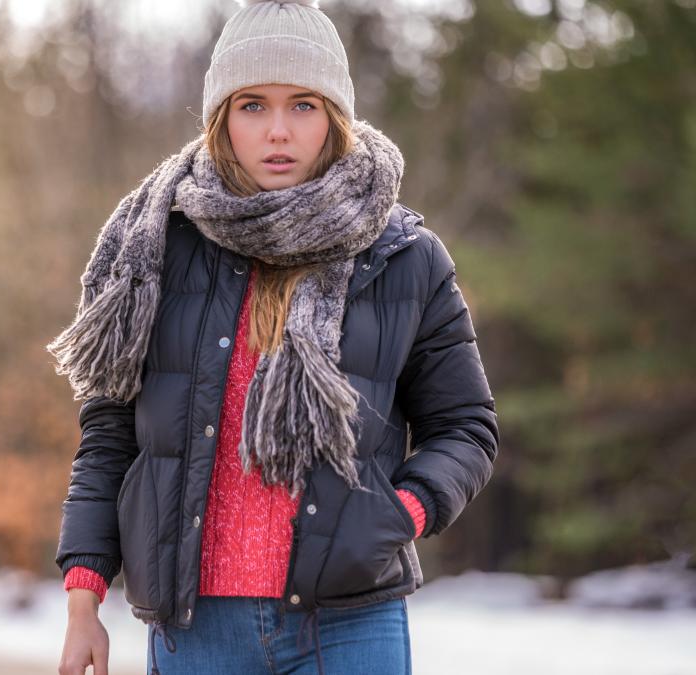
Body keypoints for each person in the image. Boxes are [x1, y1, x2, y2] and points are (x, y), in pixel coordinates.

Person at [47, 1, 499, 673]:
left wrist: (399, 511)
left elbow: (465, 427)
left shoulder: (405, 256)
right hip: (196, 629)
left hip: (350, 621)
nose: (278, 131)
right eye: (252, 105)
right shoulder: (158, 251)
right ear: (221, 118)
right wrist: (84, 593)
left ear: (335, 117)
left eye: (304, 105)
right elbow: (113, 430)